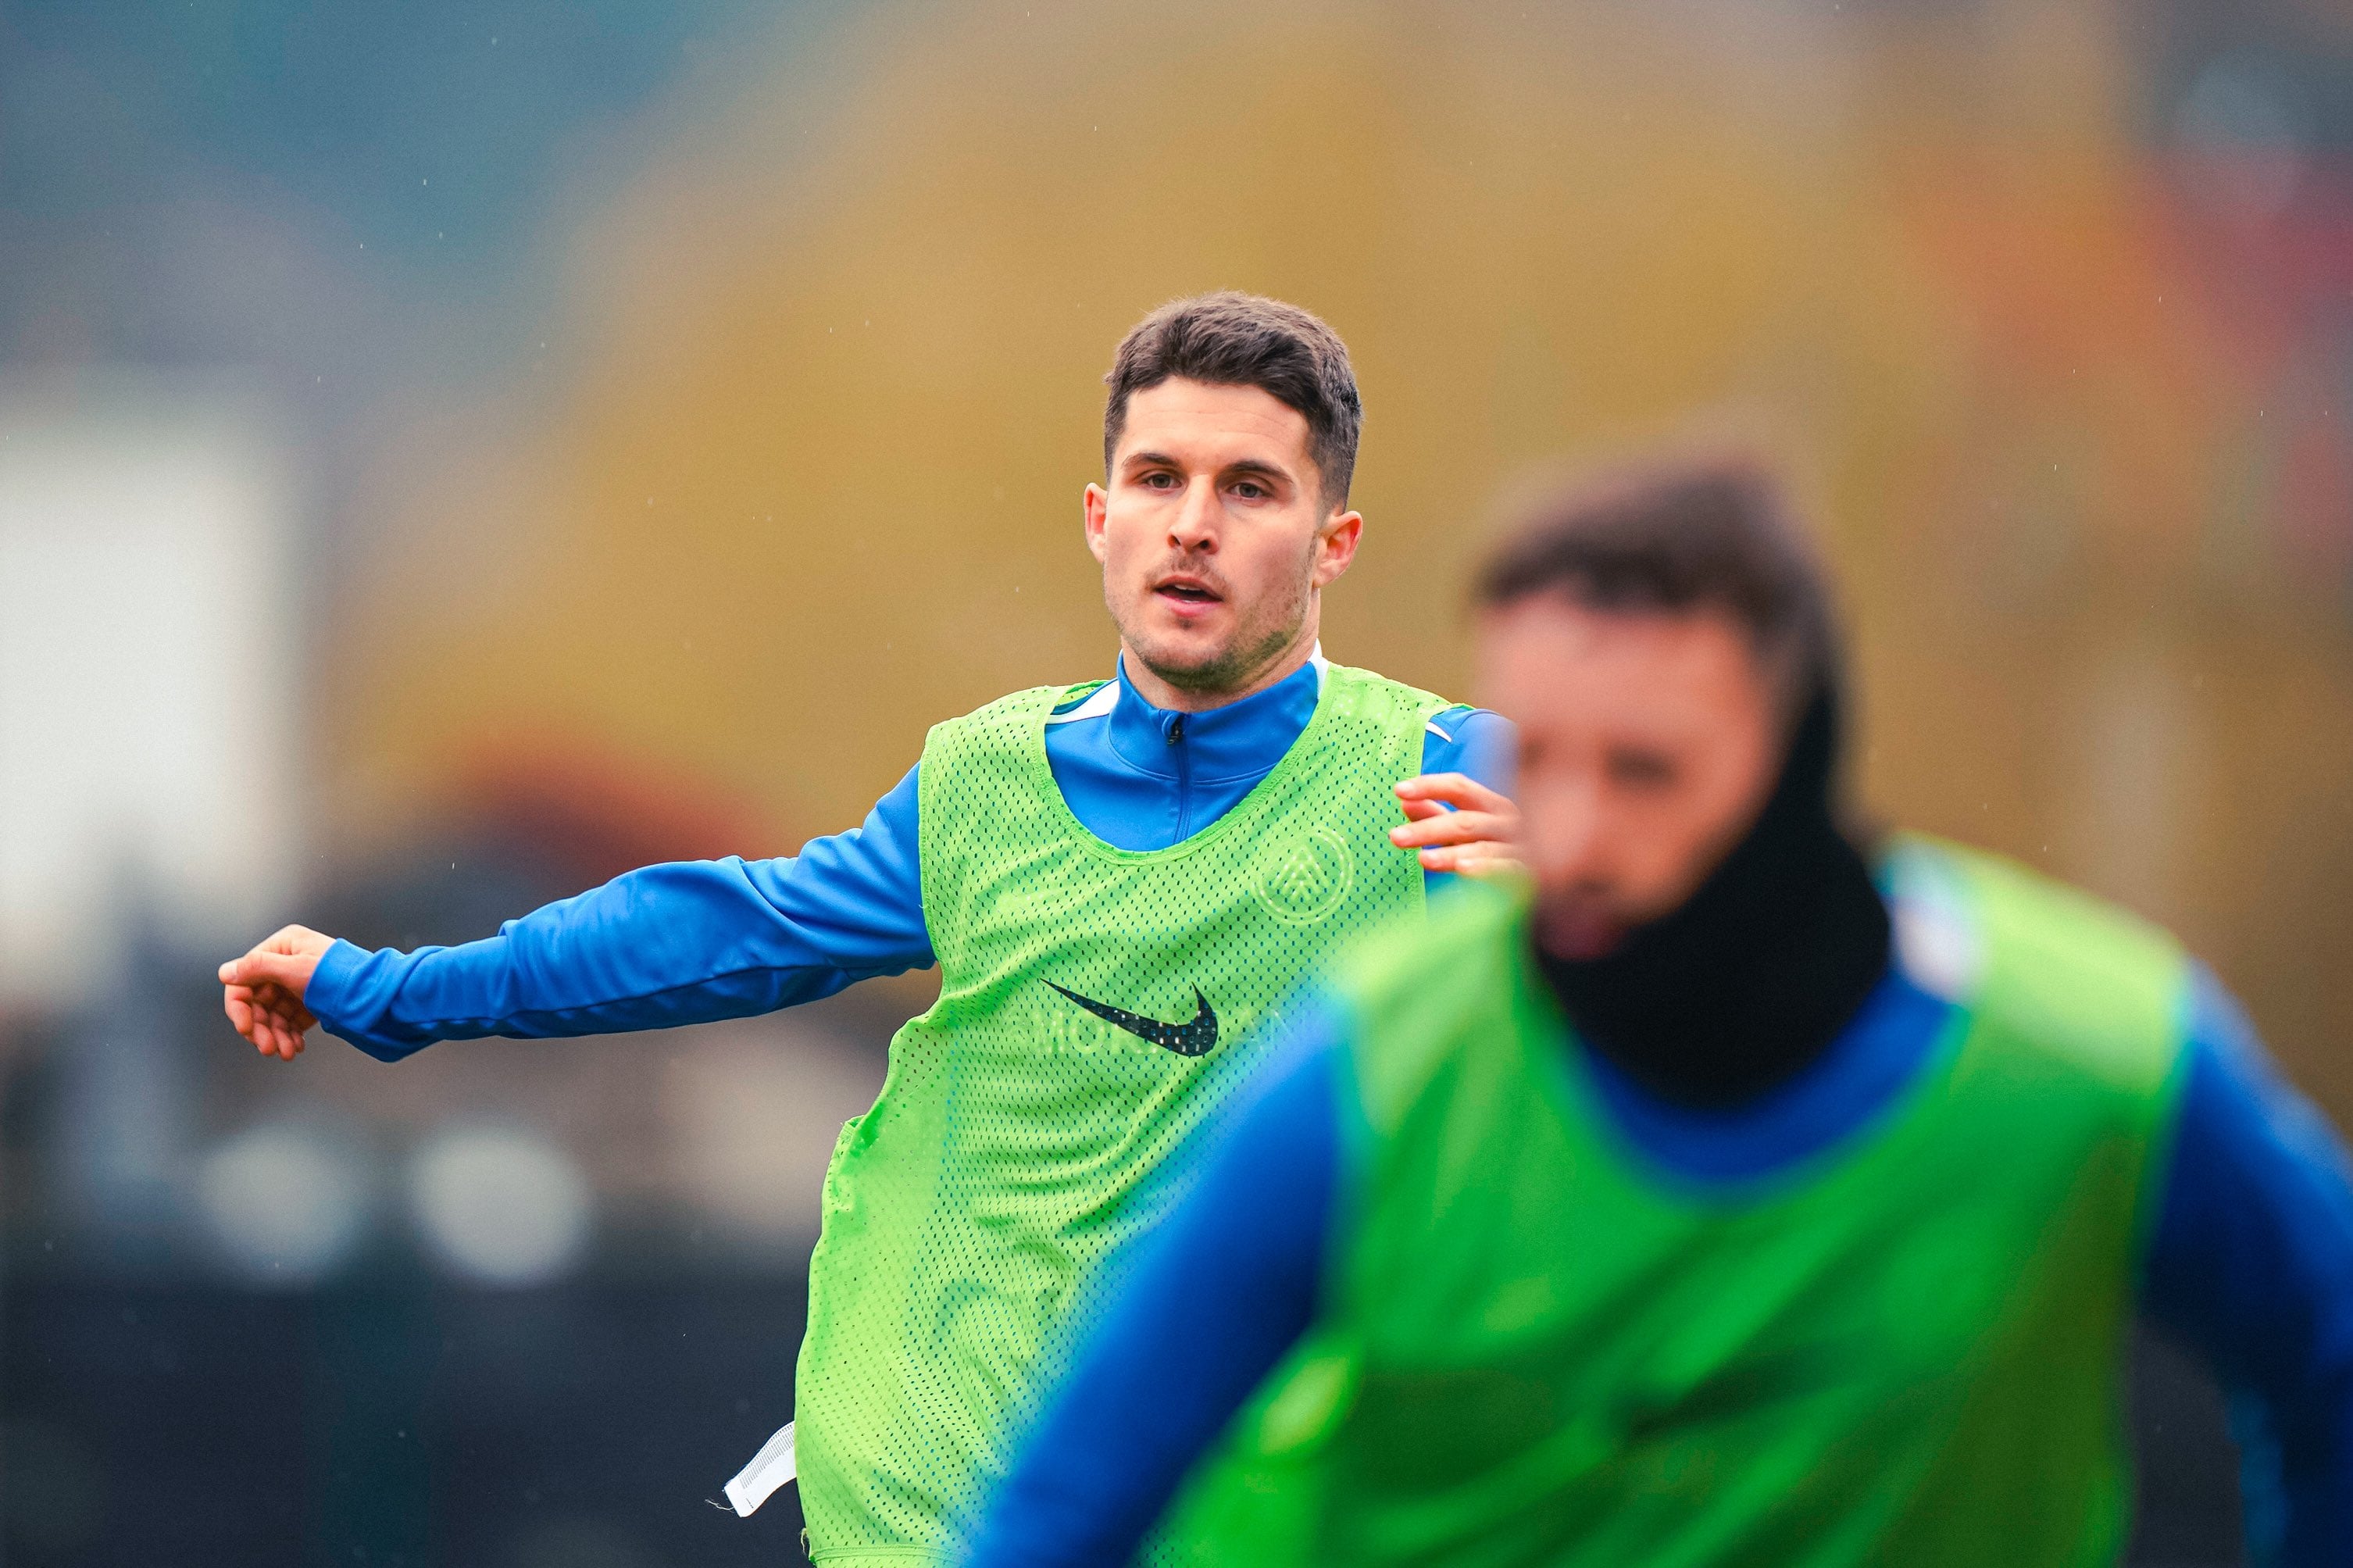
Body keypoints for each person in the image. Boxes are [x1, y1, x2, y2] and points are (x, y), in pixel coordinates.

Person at [215, 293, 1520, 1562]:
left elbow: (1690, 966)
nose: (1192, 527)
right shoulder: (979, 786)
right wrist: (389, 990)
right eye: (1157, 477)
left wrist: (1621, 902)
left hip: (1258, 1492)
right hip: (939, 1490)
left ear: (1333, 542)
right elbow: (721, 930)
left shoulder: (1457, 782)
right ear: (1098, 514)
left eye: (1249, 489)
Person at [966, 458, 2353, 1566]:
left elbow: (2329, 1356)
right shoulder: (1379, 1068)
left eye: (1644, 771)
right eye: (1540, 756)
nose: (1564, 834)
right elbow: (1060, 1517)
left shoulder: (2093, 1062)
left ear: (1798, 767)